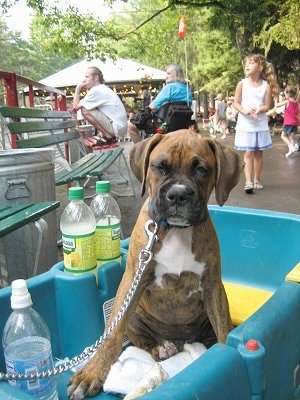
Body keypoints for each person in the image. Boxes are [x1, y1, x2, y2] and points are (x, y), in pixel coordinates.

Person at [233, 53, 278, 194]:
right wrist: (245, 111)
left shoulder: (266, 86)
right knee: (248, 151)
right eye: (246, 63)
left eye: (251, 63)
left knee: (259, 153)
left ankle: (257, 179)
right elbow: (236, 102)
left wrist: (259, 109)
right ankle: (248, 181)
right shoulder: (242, 83)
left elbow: (267, 105)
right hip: (246, 124)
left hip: (260, 123)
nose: (247, 65)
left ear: (260, 67)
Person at [128, 64, 193, 143]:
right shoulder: (187, 90)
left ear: (176, 75)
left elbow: (152, 107)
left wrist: (139, 116)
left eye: (169, 73)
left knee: (131, 126)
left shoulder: (169, 87)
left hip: (163, 127)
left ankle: (139, 152)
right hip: (182, 127)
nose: (166, 76)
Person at [73, 66, 128, 146]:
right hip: (120, 128)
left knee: (84, 110)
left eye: (87, 77)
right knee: (88, 107)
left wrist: (77, 89)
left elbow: (75, 108)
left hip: (116, 128)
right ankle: (107, 135)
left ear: (96, 78)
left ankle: (108, 136)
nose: (84, 80)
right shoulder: (102, 88)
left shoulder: (96, 90)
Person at [271, 85, 299, 157]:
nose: (285, 95)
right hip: (295, 122)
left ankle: (291, 147)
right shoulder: (296, 103)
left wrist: (275, 100)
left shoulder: (287, 101)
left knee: (283, 136)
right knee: (290, 137)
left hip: (288, 122)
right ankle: (291, 152)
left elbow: (277, 105)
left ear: (289, 94)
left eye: (285, 94)